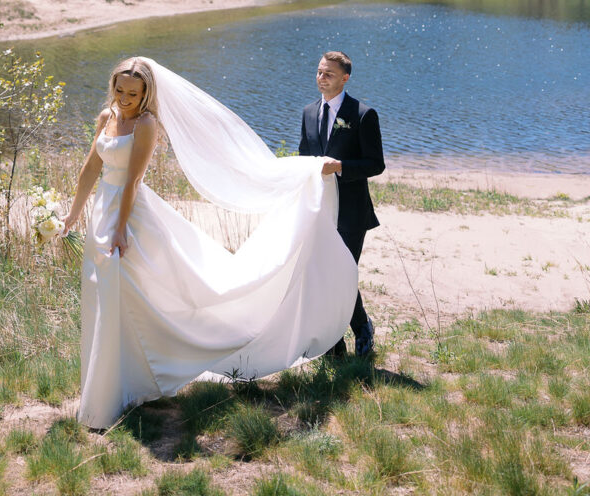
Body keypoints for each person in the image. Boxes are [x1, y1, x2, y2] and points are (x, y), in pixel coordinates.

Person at [61, 55, 359, 430]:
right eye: (120, 91)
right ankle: (111, 386)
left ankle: (133, 384)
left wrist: (119, 229)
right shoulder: (107, 117)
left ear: (146, 93)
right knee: (104, 295)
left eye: (133, 94)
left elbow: (133, 182)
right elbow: (91, 168)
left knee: (140, 297)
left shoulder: (147, 124)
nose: (125, 99)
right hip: (102, 213)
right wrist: (74, 214)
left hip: (129, 217)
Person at [298, 51, 384, 358]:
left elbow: (376, 164)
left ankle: (362, 329)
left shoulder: (363, 114)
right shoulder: (309, 112)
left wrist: (340, 167)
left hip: (351, 211)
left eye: (329, 74)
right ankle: (334, 344)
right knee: (322, 273)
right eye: (319, 72)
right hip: (319, 210)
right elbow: (303, 158)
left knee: (342, 274)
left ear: (345, 78)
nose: (322, 78)